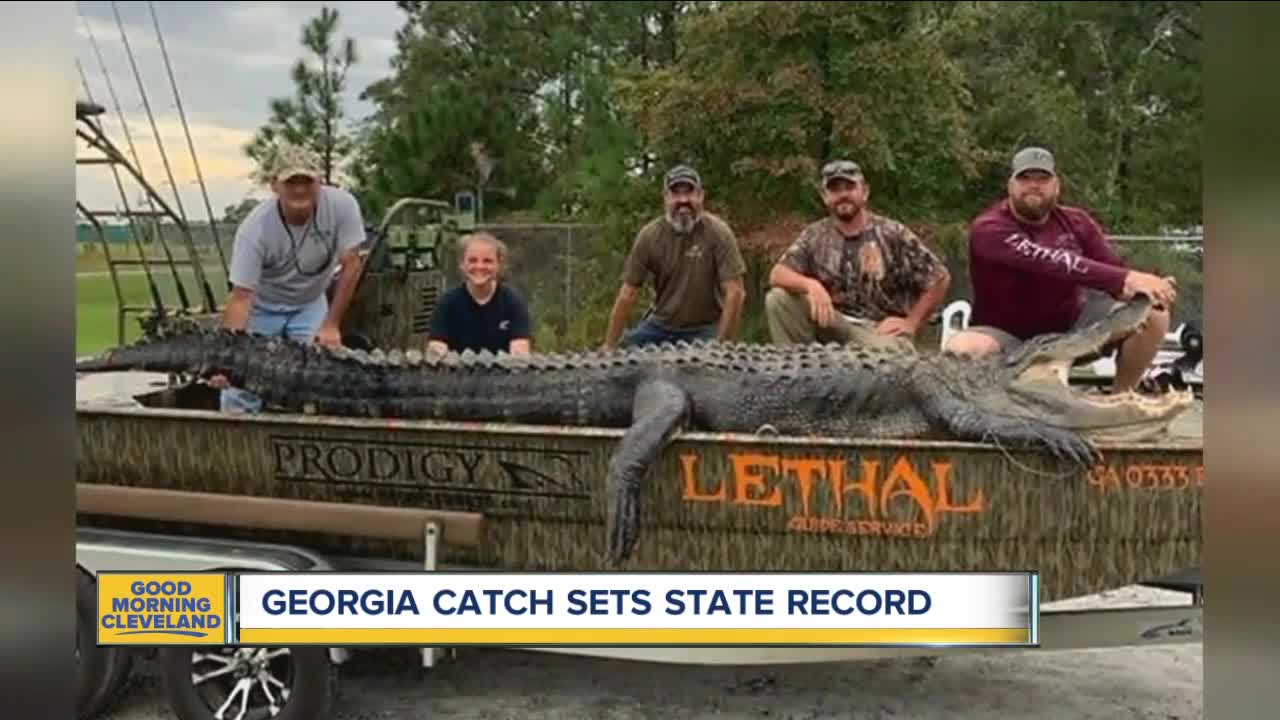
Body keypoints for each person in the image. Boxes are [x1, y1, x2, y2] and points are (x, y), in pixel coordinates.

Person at [943, 146, 1178, 393]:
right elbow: (1048, 261)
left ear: (1057, 186)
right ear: (1010, 186)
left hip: (1071, 333)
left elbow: (1114, 276)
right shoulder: (988, 228)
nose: (1034, 185)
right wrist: (1127, 279)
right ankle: (985, 408)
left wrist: (1152, 289)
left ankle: (1123, 400)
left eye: (1042, 178)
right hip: (1004, 337)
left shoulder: (1078, 222)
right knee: (962, 349)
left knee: (1153, 313)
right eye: (1024, 178)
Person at [213, 142, 366, 412]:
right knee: (241, 383)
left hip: (310, 302)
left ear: (319, 182)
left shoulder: (343, 206)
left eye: (306, 181)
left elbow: (351, 265)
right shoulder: (255, 230)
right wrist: (227, 358)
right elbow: (241, 297)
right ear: (275, 186)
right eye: (291, 181)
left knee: (319, 376)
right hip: (263, 305)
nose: (299, 189)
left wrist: (331, 324)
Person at [765, 159, 951, 349]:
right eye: (835, 189)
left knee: (885, 357)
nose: (843, 195)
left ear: (865, 192)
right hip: (833, 322)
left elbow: (939, 277)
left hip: (878, 331)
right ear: (825, 197)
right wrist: (810, 285)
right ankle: (797, 372)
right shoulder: (814, 235)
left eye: (850, 187)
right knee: (779, 298)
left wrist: (912, 322)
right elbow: (777, 274)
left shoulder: (893, 233)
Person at [603, 165, 747, 349]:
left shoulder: (719, 233)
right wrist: (609, 346)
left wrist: (723, 346)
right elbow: (627, 294)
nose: (683, 200)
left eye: (689, 193)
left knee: (706, 369)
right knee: (621, 355)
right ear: (665, 198)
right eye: (676, 193)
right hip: (660, 326)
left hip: (705, 328)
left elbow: (735, 293)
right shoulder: (649, 236)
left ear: (701, 196)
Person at [428, 232, 532, 356]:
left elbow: (519, 355)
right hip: (457, 374)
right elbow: (436, 353)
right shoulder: (446, 304)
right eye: (472, 260)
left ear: (499, 265)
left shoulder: (514, 303)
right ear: (462, 264)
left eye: (487, 261)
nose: (480, 266)